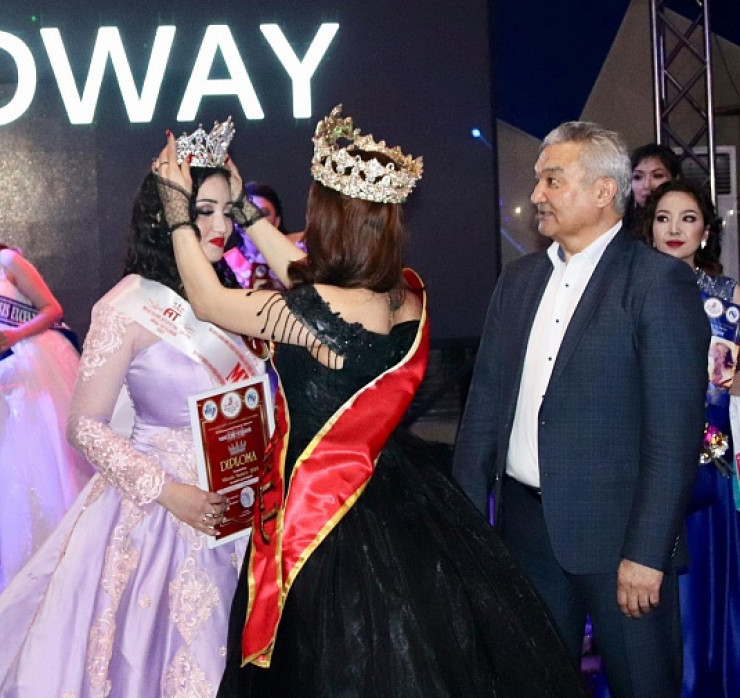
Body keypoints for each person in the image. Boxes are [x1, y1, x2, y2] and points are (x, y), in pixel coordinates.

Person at [154, 105, 589, 697]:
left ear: (329, 222)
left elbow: (209, 300)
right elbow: (304, 278)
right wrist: (245, 213)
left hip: (328, 521)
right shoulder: (399, 294)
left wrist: (176, 209)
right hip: (395, 492)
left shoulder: (317, 311)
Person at [0, 128, 266, 696]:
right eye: (203, 211)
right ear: (166, 216)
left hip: (240, 509)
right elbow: (83, 426)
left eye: (228, 211)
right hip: (160, 520)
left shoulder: (232, 299)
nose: (220, 227)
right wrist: (169, 491)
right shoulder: (126, 306)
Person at [453, 121, 710, 698]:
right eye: (538, 180)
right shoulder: (518, 281)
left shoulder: (657, 283)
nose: (537, 194)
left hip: (621, 545)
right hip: (525, 535)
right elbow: (484, 412)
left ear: (603, 191)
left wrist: (647, 554)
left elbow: (673, 437)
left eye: (552, 180)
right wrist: (468, 532)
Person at [641, 179, 740, 697]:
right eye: (663, 218)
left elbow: (734, 387)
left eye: (688, 218)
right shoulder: (628, 291)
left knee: (705, 587)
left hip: (712, 461)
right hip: (643, 462)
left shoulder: (729, 299)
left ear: (706, 230)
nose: (675, 229)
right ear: (649, 228)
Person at [0, 244, 93, 591]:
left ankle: (67, 554)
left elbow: (52, 309)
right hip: (6, 379)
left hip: (36, 365)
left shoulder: (8, 262)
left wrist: (15, 335)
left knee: (50, 460)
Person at [224, 182, 305, 290]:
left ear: (277, 221)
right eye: (246, 214)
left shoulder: (298, 253)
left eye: (263, 214)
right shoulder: (226, 262)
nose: (254, 220)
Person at [623, 143, 681, 235]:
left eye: (657, 176)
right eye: (637, 177)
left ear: (675, 179)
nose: (647, 185)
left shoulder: (689, 220)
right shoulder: (621, 227)